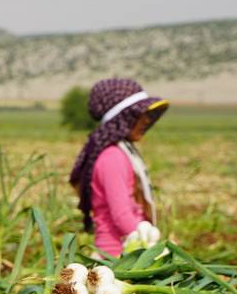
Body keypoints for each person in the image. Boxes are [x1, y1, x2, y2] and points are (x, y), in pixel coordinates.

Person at [69, 78, 170, 257]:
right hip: (118, 257)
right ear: (122, 119)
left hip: (125, 252)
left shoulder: (120, 153)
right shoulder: (112, 158)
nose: (146, 121)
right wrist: (150, 247)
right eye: (139, 115)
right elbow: (121, 215)